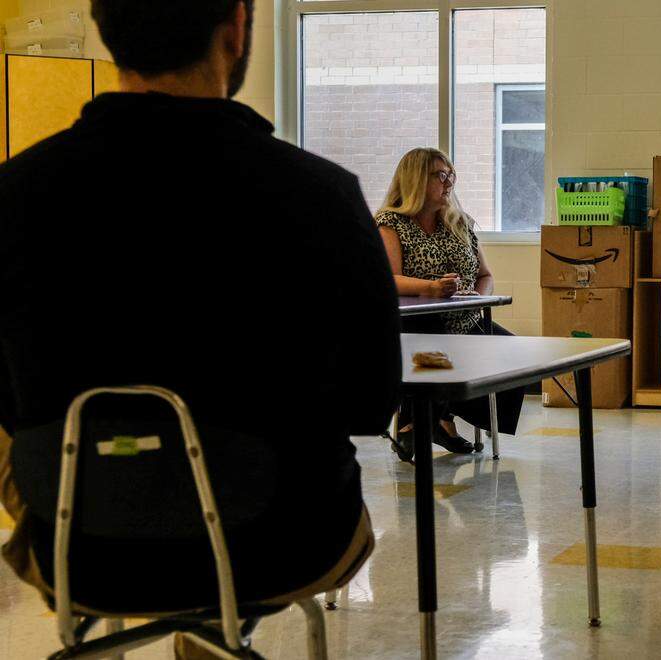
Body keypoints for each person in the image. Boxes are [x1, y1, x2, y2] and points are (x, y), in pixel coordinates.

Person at [0, 0, 401, 648]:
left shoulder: (11, 194)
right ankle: (216, 628)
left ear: (105, 32)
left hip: (77, 543)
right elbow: (370, 401)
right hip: (280, 544)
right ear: (237, 27)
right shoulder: (322, 195)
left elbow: (10, 405)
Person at [375, 147, 524, 461]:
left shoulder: (459, 222)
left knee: (511, 354)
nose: (448, 183)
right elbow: (389, 279)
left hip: (465, 318)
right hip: (416, 320)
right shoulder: (391, 224)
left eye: (450, 175)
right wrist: (431, 288)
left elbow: (485, 274)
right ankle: (426, 420)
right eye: (440, 176)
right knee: (439, 350)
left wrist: (479, 297)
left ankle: (429, 418)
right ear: (416, 180)